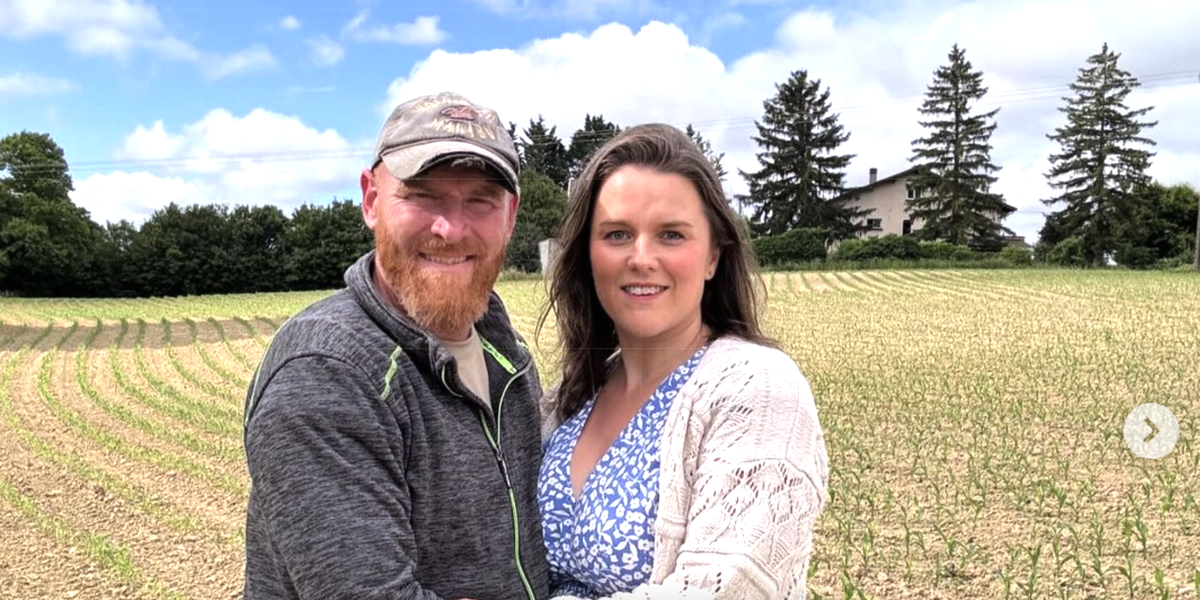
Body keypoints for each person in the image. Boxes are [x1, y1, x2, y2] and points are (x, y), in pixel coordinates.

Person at [243, 91, 549, 600]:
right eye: (423, 195)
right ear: (371, 199)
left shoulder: (505, 354)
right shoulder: (327, 374)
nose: (450, 229)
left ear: (511, 215)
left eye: (480, 200)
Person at [537, 123, 829, 599]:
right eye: (616, 234)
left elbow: (728, 590)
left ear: (713, 255)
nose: (641, 257)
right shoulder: (568, 399)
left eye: (671, 235)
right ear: (588, 256)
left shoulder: (758, 389)